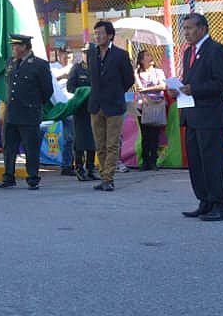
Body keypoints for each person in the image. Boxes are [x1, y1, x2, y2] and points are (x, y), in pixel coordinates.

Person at [171, 13, 223, 222]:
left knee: (211, 163)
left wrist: (194, 89)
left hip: (210, 117)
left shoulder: (217, 50)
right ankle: (205, 201)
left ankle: (220, 205)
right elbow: (190, 81)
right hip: (192, 116)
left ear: (203, 28)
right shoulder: (189, 52)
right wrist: (178, 89)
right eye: (184, 28)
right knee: (196, 163)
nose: (186, 33)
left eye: (189, 28)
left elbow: (222, 82)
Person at [0, 34, 54, 190]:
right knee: (9, 147)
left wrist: (34, 104)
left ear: (25, 47)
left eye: (17, 46)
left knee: (31, 148)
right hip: (12, 113)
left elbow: (47, 90)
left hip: (29, 113)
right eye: (13, 46)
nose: (14, 48)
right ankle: (8, 176)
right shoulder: (11, 62)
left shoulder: (39, 65)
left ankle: (32, 177)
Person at [86, 21, 135, 191]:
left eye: (101, 33)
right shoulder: (91, 53)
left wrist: (115, 91)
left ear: (110, 35)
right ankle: (103, 174)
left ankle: (109, 178)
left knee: (112, 144)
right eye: (96, 33)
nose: (98, 37)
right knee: (99, 144)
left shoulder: (120, 55)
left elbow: (129, 79)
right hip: (96, 105)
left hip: (114, 105)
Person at [66, 50, 97, 182]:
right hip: (80, 109)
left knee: (93, 141)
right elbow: (70, 87)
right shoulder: (77, 69)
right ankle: (79, 168)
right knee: (80, 140)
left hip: (94, 109)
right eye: (86, 53)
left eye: (90, 53)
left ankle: (90, 169)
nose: (88, 56)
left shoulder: (97, 68)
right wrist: (83, 91)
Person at [134, 49, 167, 172]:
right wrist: (136, 74)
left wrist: (147, 90)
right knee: (145, 135)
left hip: (156, 105)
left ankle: (153, 160)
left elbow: (163, 86)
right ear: (142, 60)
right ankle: (145, 161)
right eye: (147, 55)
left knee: (154, 134)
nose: (150, 57)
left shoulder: (158, 72)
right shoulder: (138, 73)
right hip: (143, 106)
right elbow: (139, 87)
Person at [52, 48, 76, 176]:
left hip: (71, 104)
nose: (67, 57)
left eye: (69, 54)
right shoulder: (53, 67)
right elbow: (49, 80)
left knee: (70, 137)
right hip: (57, 105)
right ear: (60, 54)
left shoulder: (74, 67)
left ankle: (68, 165)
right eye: (65, 54)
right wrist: (62, 76)